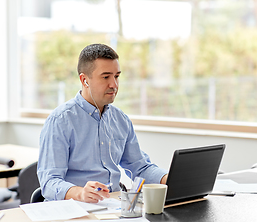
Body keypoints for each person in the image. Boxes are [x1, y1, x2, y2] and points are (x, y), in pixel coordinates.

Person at [37, 43, 168, 203]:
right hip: (74, 210)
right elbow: (49, 183)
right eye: (106, 77)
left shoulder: (121, 120)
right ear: (84, 80)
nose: (114, 84)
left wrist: (170, 179)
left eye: (117, 76)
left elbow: (140, 168)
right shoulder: (60, 121)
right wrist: (80, 193)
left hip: (112, 208)